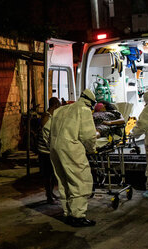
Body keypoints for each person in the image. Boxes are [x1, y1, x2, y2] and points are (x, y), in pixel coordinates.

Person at [50, 89, 98, 227]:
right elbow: (88, 136)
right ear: (91, 103)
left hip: (55, 148)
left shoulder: (62, 109)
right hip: (71, 149)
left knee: (63, 180)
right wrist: (92, 149)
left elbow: (48, 129)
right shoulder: (84, 110)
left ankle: (67, 212)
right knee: (79, 181)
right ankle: (77, 216)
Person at [35, 97, 61, 204]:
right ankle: (49, 196)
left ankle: (50, 193)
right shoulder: (46, 117)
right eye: (58, 107)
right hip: (45, 152)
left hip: (49, 150)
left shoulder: (52, 117)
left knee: (51, 174)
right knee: (47, 175)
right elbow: (47, 136)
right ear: (54, 106)